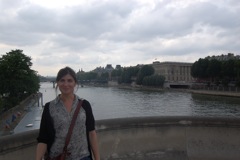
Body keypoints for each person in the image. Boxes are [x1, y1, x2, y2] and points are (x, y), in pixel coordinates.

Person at [36, 66, 100, 160]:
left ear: (75, 83)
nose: (66, 84)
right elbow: (43, 139)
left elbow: (92, 133)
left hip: (83, 157)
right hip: (58, 157)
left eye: (70, 81)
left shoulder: (85, 105)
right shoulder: (49, 107)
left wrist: (97, 158)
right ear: (57, 82)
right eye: (62, 80)